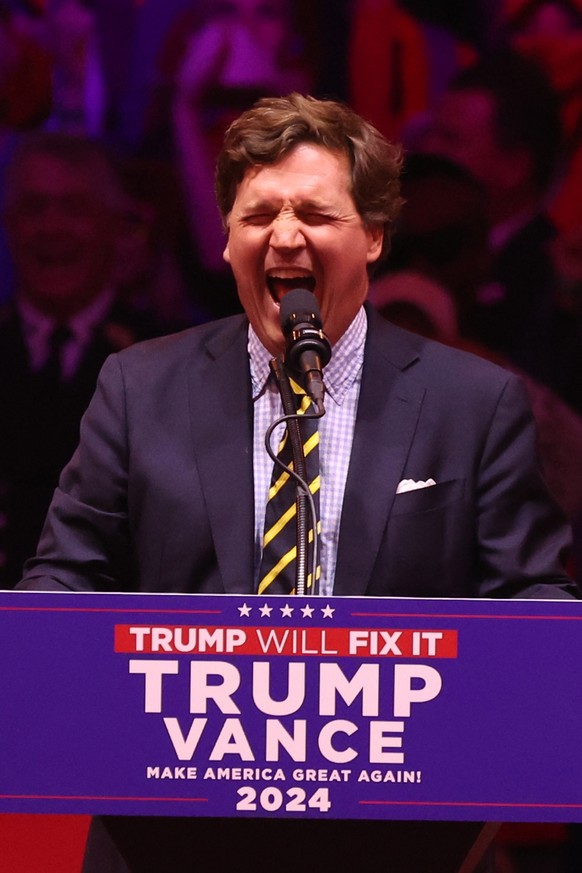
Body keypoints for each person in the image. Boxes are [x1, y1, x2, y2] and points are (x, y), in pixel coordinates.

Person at [17, 94, 577, 872]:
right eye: (258, 216)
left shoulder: (473, 404)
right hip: (168, 831)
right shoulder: (138, 387)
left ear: (374, 236)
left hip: (406, 835)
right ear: (225, 240)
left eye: (314, 213)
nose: (284, 236)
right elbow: (66, 580)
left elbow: (530, 606)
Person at [0, 131, 168, 588]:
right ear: (10, 225)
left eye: (74, 208)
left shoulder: (166, 359)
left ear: (115, 226)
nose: (52, 228)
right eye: (34, 208)